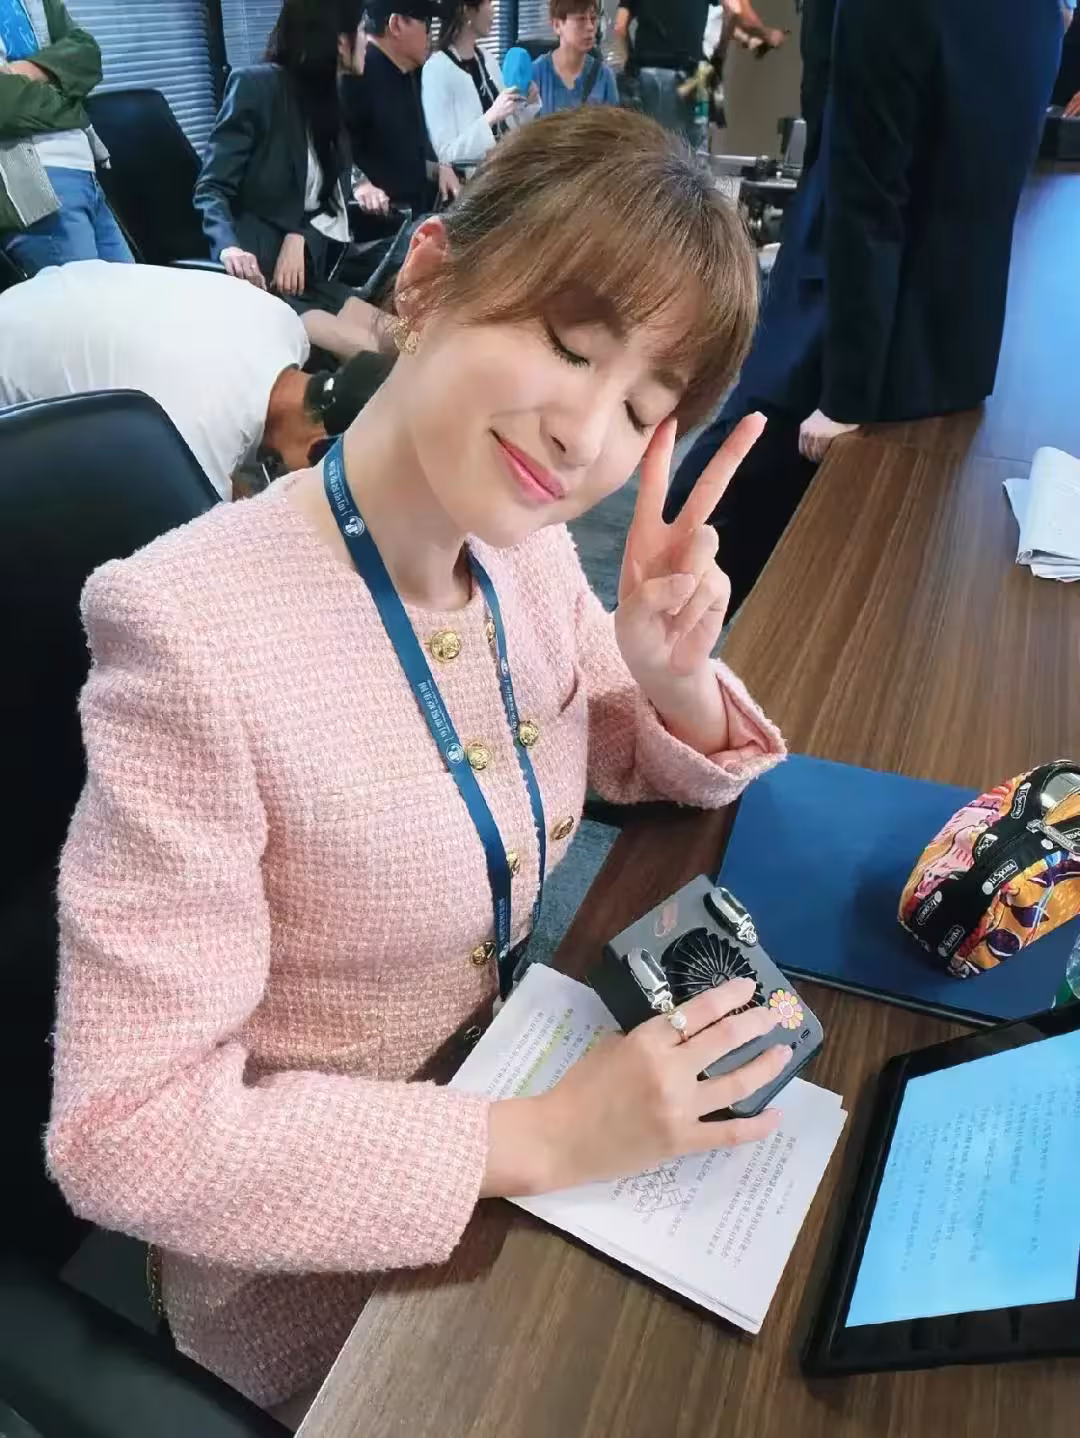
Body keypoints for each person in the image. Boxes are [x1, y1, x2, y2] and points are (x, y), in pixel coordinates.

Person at [47, 107, 787, 1424]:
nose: (586, 436)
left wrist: (672, 674)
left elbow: (611, 739)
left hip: (522, 1153)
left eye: (641, 407)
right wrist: (543, 1137)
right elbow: (124, 1133)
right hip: (329, 1298)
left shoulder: (525, 553)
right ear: (430, 277)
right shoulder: (189, 633)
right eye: (569, 347)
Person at [666, 0, 1065, 614]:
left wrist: (847, 397)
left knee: (698, 532)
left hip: (846, 329)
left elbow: (866, 194)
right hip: (956, 345)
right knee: (854, 580)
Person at [0, 260, 388, 499]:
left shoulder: (284, 323)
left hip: (47, 289)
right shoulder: (195, 436)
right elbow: (204, 539)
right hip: (12, 381)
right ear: (318, 446)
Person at [194, 0, 388, 363]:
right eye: (362, 30)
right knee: (382, 357)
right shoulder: (256, 88)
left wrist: (299, 236)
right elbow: (211, 188)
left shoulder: (329, 103)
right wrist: (228, 249)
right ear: (339, 40)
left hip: (308, 282)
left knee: (410, 339)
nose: (367, 40)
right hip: (266, 287)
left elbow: (331, 203)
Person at [0, 0, 133, 274]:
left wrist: (20, 72)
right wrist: (67, 92)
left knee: (133, 294)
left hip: (85, 170)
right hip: (33, 188)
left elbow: (87, 53)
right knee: (85, 301)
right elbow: (5, 105)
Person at [340, 0, 459, 219]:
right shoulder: (353, 72)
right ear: (395, 25)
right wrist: (359, 183)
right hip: (379, 222)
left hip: (421, 214)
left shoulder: (414, 72)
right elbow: (327, 144)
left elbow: (408, 151)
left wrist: (440, 167)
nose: (431, 35)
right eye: (427, 23)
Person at [421, 0, 535, 168]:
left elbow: (509, 128)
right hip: (474, 180)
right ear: (467, 10)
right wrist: (490, 117)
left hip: (506, 170)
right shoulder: (436, 69)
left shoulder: (487, 59)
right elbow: (445, 155)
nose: (493, 11)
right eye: (488, 2)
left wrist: (525, 105)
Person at [531, 2, 618, 113]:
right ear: (557, 25)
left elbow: (614, 123)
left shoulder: (604, 76)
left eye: (593, 19)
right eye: (580, 19)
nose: (590, 27)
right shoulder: (535, 74)